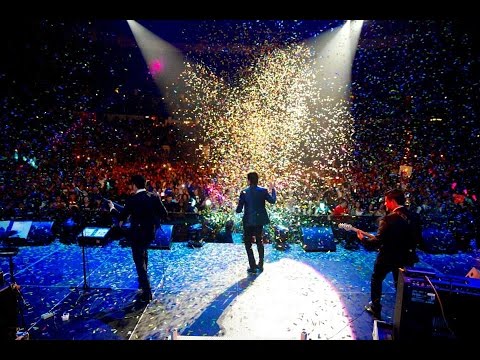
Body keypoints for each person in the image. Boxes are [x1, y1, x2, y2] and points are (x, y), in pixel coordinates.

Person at [356, 189, 422, 320]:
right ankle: (405, 310)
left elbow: (377, 242)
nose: (385, 204)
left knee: (376, 279)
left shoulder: (389, 219)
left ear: (393, 201)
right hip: (405, 258)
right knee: (401, 284)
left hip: (387, 257)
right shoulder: (414, 216)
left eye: (386, 201)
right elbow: (417, 239)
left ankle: (375, 307)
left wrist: (363, 239)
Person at [108, 174, 168, 303]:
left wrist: (112, 209)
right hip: (150, 234)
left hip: (136, 235)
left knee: (139, 263)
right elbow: (164, 214)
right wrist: (153, 220)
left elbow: (121, 217)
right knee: (144, 254)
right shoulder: (154, 197)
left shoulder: (132, 200)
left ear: (134, 185)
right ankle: (142, 283)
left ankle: (147, 293)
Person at [235, 172, 276, 274]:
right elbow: (273, 201)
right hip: (259, 221)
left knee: (248, 244)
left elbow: (239, 210)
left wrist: (239, 205)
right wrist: (273, 190)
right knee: (259, 241)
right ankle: (261, 263)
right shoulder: (263, 191)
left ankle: (252, 266)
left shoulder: (244, 192)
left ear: (249, 180)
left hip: (248, 221)